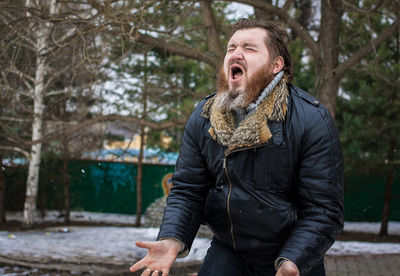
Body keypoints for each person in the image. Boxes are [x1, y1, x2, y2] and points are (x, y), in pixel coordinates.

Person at [130, 18, 344, 276]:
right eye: (231, 48)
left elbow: (323, 210)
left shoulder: (311, 120)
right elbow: (188, 190)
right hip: (229, 251)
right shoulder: (204, 117)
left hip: (291, 256)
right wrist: (171, 239)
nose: (236, 53)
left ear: (276, 65)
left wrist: (293, 261)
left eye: (249, 48)